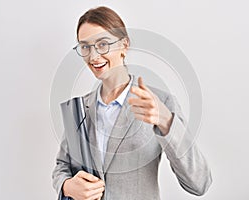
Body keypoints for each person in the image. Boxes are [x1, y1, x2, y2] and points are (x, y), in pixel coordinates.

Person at [52, 6, 212, 200]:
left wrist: (165, 121)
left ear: (124, 45)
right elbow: (62, 166)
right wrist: (67, 186)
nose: (93, 56)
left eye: (102, 44)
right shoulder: (78, 109)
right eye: (85, 47)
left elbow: (200, 183)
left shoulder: (159, 103)